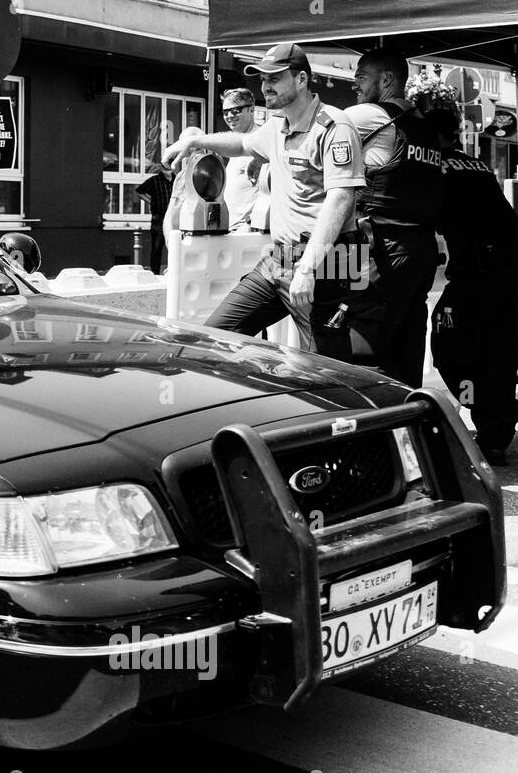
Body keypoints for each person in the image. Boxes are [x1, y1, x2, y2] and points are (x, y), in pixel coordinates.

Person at [162, 42, 366, 355]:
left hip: (327, 261)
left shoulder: (334, 126)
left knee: (328, 372)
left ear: (301, 80)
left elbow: (341, 199)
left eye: (274, 78)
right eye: (262, 79)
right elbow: (242, 143)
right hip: (281, 258)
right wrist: (195, 141)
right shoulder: (277, 126)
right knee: (214, 337)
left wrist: (308, 269)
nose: (265, 86)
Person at [344, 48, 445, 387]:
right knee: (408, 348)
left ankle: (368, 434)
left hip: (380, 249)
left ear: (385, 79)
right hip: (421, 252)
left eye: (360, 77)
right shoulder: (424, 128)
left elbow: (310, 134)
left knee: (364, 352)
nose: (354, 85)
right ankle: (409, 429)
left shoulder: (368, 115)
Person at [427, 106, 518, 466]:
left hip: (479, 271)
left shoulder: (436, 166)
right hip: (506, 268)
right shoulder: (476, 164)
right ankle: (495, 433)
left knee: (448, 342)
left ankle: (484, 409)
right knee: (498, 350)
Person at [219, 89, 263, 232]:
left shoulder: (260, 140)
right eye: (225, 112)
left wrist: (250, 224)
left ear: (251, 110)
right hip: (233, 229)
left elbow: (276, 190)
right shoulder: (240, 141)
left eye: (236, 110)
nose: (229, 116)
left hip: (250, 231)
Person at [135, 162, 173, 272]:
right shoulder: (155, 180)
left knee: (174, 246)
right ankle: (155, 273)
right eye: (165, 168)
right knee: (157, 248)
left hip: (173, 217)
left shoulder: (176, 180)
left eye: (169, 168)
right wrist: (151, 201)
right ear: (162, 168)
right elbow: (139, 191)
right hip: (159, 217)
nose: (167, 171)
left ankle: (173, 271)